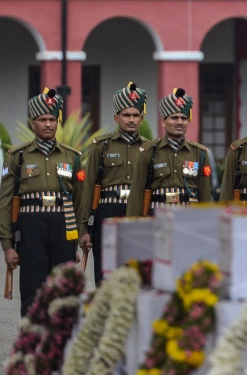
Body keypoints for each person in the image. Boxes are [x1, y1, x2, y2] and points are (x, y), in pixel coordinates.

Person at [0, 88, 88, 315]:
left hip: (63, 226)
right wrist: (8, 246)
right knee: (32, 290)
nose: (48, 124)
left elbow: (79, 200)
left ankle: (61, 344)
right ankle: (32, 344)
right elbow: (5, 202)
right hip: (31, 227)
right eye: (42, 120)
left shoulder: (72, 157)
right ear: (32, 123)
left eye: (52, 119)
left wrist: (76, 239)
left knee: (64, 290)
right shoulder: (17, 156)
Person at [80, 81, 149, 284]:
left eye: (136, 115)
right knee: (105, 271)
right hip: (107, 211)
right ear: (116, 117)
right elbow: (88, 187)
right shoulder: (101, 146)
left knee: (136, 271)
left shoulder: (150, 149)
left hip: (138, 212)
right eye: (126, 115)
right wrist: (84, 229)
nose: (131, 120)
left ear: (142, 119)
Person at [126, 88, 212, 216]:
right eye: (174, 118)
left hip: (188, 215)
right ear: (163, 122)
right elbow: (137, 193)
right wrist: (133, 226)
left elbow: (205, 195)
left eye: (183, 118)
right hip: (157, 214)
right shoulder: (148, 151)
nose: (179, 122)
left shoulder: (199, 153)